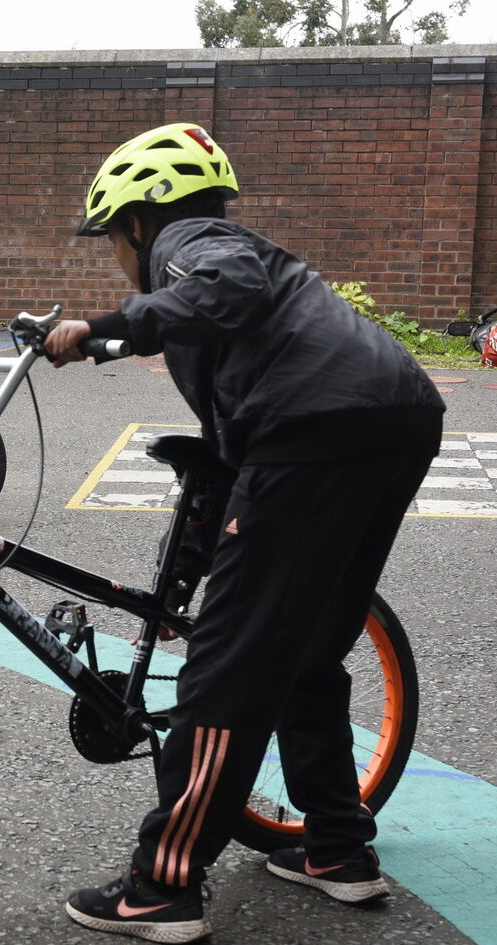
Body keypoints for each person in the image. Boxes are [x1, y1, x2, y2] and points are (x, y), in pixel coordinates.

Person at [46, 122, 445, 943]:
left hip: (316, 433)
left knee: (227, 665)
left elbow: (222, 287)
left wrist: (103, 323)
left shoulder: (195, 241)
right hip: (394, 420)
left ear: (138, 221)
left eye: (113, 241)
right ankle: (338, 849)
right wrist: (189, 577)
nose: (118, 259)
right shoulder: (244, 292)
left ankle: (163, 885)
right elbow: (227, 449)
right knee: (302, 649)